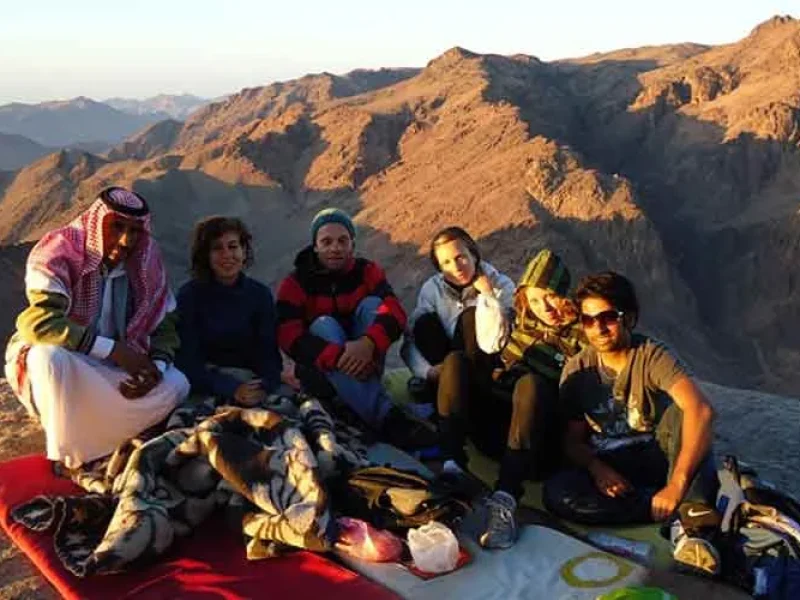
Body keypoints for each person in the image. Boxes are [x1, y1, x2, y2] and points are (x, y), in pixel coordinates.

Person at [543, 271, 720, 575]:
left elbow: (701, 410)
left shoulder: (652, 356)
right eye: (587, 320)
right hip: (614, 463)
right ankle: (677, 511)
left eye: (607, 317)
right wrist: (597, 469)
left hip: (657, 453)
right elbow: (573, 440)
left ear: (629, 318)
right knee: (557, 494)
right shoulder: (577, 369)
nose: (597, 328)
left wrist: (677, 482)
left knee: (684, 417)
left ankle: (691, 527)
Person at [3, 187, 189, 468]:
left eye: (135, 231)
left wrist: (154, 370)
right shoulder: (60, 252)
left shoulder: (144, 262)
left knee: (177, 384)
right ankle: (68, 457)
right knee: (48, 358)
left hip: (111, 374)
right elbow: (37, 323)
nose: (126, 240)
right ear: (97, 224)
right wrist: (115, 351)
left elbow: (165, 326)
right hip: (72, 366)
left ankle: (97, 434)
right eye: (117, 227)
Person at [437, 248, 584, 550]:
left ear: (566, 295)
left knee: (531, 384)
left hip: (537, 445)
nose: (544, 307)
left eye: (551, 296)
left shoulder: (584, 338)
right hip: (496, 432)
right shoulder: (519, 324)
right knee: (456, 361)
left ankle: (504, 501)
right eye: (533, 299)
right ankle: (452, 468)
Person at [276, 208, 434, 448]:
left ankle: (359, 407)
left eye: (343, 240)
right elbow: (288, 334)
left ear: (352, 244)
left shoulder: (367, 272)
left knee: (374, 305)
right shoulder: (296, 282)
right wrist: (340, 358)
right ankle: (387, 418)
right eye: (326, 242)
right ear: (315, 246)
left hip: (366, 362)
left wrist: (368, 344)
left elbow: (395, 312)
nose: (335, 248)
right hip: (324, 370)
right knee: (323, 325)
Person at [176, 216, 298, 406]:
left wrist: (263, 386)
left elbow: (269, 357)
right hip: (206, 383)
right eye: (217, 248)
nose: (227, 255)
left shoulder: (259, 295)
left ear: (243, 251)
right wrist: (231, 388)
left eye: (233, 246)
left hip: (251, 381)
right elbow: (186, 362)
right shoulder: (189, 296)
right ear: (205, 256)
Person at [400, 226, 515, 392]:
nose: (456, 267)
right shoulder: (432, 289)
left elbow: (494, 344)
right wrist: (427, 372)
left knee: (470, 317)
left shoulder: (502, 286)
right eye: (446, 262)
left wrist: (488, 295)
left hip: (485, 368)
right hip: (443, 368)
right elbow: (409, 342)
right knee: (424, 322)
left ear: (474, 256)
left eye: (460, 257)